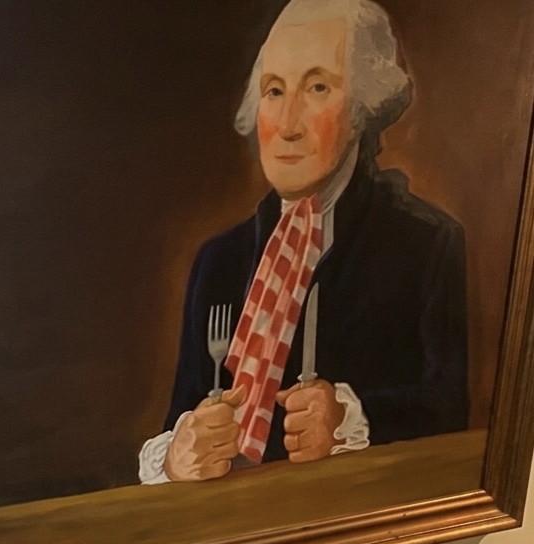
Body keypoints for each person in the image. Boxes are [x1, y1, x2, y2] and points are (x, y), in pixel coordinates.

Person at [139, 0, 468, 484]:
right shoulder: (219, 261)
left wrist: (348, 419)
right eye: (274, 91)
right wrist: (179, 454)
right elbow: (182, 419)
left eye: (317, 87)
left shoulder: (427, 245)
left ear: (363, 107)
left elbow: (451, 414)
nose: (288, 125)